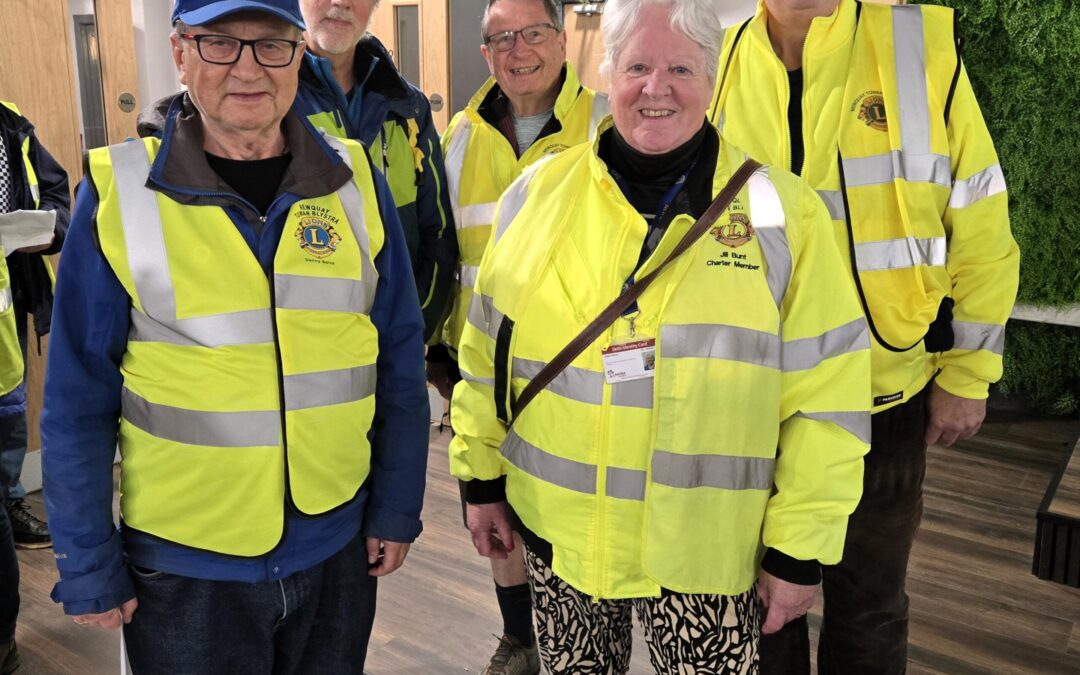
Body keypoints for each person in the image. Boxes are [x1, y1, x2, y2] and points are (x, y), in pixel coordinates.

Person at [449, 0, 871, 672]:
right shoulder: (535, 197)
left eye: (680, 66)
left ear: (710, 78)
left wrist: (798, 548)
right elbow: (486, 354)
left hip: (708, 558)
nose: (656, 86)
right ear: (608, 70)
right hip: (564, 539)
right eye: (638, 64)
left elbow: (829, 399)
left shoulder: (785, 218)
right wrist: (479, 477)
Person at [40, 0, 429, 672]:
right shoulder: (121, 192)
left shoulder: (352, 179)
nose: (248, 67)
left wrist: (396, 504)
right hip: (187, 568)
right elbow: (77, 398)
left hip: (335, 548)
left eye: (271, 44)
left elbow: (397, 352)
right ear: (181, 53)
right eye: (221, 42)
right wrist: (86, 558)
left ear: (299, 54)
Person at [708, 0, 1021, 672]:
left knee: (870, 606)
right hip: (757, 404)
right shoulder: (716, 58)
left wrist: (969, 372)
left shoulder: (915, 45)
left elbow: (983, 217)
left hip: (887, 399)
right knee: (761, 614)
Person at [432, 1, 609, 672]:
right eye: (501, 38)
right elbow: (443, 251)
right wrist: (439, 355)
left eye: (533, 32)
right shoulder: (459, 134)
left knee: (570, 523)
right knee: (493, 514)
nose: (519, 48)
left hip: (576, 375)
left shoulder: (608, 124)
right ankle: (520, 637)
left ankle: (586, 646)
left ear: (562, 41)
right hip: (479, 377)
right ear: (486, 54)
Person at [294, 0, 456, 343]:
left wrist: (416, 328)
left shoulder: (408, 106)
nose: (340, 3)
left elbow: (438, 230)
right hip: (308, 352)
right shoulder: (269, 102)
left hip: (398, 345)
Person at [0, 100, 69, 551]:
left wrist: (49, 229)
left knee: (8, 409)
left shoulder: (10, 121)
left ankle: (8, 504)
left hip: (8, 298)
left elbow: (55, 191)